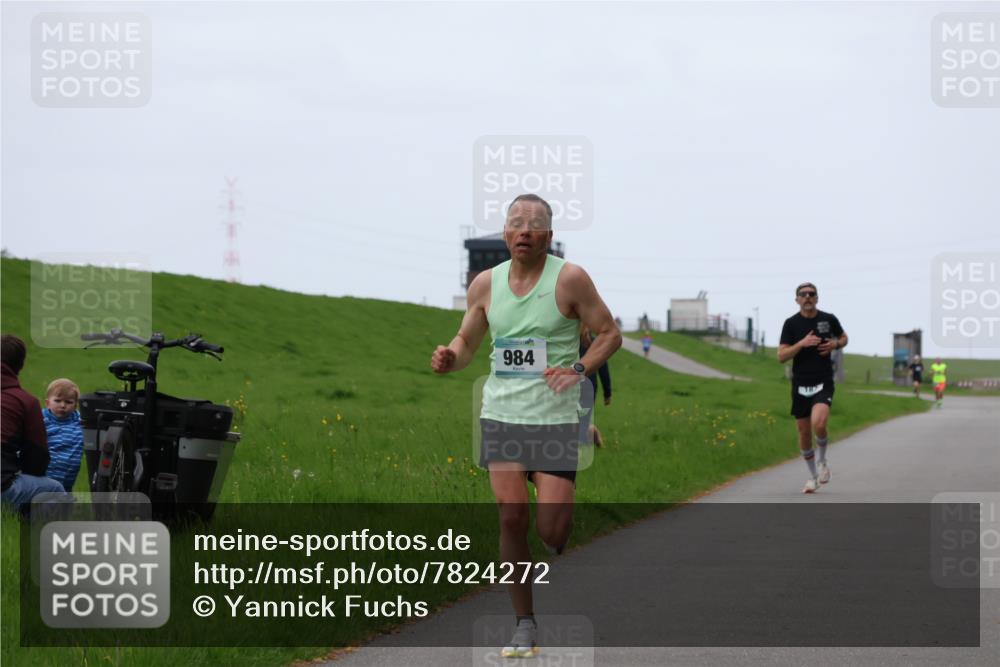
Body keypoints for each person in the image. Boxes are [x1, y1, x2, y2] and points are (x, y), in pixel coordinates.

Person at [431, 193, 621, 658]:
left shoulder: (570, 279)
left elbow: (610, 334)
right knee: (510, 516)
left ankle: (548, 484)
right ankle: (524, 623)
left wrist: (578, 371)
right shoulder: (485, 285)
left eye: (534, 224)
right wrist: (451, 356)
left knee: (552, 533)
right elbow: (468, 341)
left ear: (548, 238)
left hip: (555, 420)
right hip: (501, 415)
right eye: (516, 223)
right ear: (504, 234)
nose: (524, 231)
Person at [777, 283, 848, 494]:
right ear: (797, 299)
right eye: (803, 294)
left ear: (817, 298)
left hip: (823, 380)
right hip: (800, 383)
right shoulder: (790, 324)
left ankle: (823, 461)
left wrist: (835, 345)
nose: (807, 297)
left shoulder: (828, 319)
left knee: (819, 422)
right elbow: (781, 356)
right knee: (804, 432)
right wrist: (802, 343)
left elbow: (844, 337)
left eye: (811, 294)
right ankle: (812, 478)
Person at [1, 334, 67, 514]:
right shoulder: (25, 401)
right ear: (20, 365)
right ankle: (38, 538)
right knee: (56, 490)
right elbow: (37, 460)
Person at [43, 378, 84, 492]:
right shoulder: (41, 420)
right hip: (46, 475)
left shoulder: (80, 421)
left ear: (76, 405)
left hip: (70, 476)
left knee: (64, 504)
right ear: (47, 403)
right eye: (57, 400)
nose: (62, 405)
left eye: (68, 402)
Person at [579, 326, 612, 447]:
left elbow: (603, 369)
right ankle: (590, 432)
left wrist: (607, 393)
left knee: (581, 422)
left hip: (588, 387)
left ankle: (592, 433)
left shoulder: (595, 344)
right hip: (568, 386)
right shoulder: (567, 342)